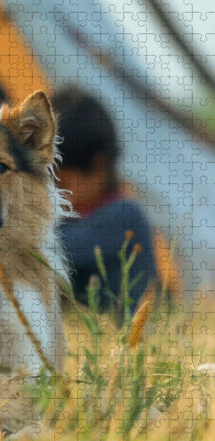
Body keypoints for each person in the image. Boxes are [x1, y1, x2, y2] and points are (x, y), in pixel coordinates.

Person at [53, 87, 157, 314]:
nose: (54, 194)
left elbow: (52, 248)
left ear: (98, 167)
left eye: (61, 183)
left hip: (130, 339)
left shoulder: (122, 215)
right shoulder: (78, 217)